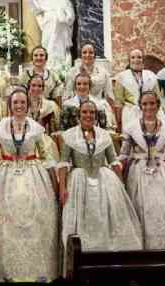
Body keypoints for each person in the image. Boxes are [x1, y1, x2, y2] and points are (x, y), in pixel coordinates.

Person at [0, 89, 59, 283]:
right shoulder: (0, 127)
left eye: (22, 103)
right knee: (6, 223)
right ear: (9, 105)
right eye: (15, 102)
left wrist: (55, 184)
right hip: (5, 176)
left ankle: (37, 272)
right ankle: (8, 273)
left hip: (33, 175)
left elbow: (47, 157)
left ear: (28, 105)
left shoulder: (36, 128)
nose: (19, 106)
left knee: (37, 220)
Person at [59, 100, 142, 257]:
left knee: (110, 220)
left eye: (92, 113)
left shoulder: (104, 135)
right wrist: (62, 188)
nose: (88, 115)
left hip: (104, 180)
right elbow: (63, 163)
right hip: (79, 181)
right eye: (84, 112)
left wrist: (121, 186)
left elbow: (113, 161)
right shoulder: (70, 135)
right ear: (78, 115)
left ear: (96, 116)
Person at [119, 91, 165, 250]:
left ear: (158, 105)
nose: (148, 107)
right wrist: (120, 178)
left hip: (162, 172)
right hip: (139, 172)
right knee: (141, 208)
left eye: (152, 103)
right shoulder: (131, 128)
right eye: (145, 104)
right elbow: (124, 155)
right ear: (140, 106)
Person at [23, 0, 76, 66]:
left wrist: (69, 16)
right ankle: (48, 61)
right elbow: (37, 8)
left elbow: (68, 6)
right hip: (47, 21)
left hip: (59, 20)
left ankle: (60, 62)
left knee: (57, 42)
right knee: (47, 41)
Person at [64, 43, 116, 122]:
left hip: (98, 106)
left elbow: (109, 95)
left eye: (91, 52)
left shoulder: (103, 72)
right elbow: (67, 95)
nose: (87, 55)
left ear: (95, 55)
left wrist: (113, 115)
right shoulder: (72, 72)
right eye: (84, 52)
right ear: (81, 55)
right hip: (77, 105)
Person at [113, 49, 160, 129]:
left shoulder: (151, 75)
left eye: (139, 57)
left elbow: (158, 98)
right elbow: (118, 103)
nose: (136, 60)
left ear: (143, 60)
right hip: (130, 113)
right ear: (129, 60)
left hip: (150, 111)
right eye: (133, 57)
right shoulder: (121, 77)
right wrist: (119, 123)